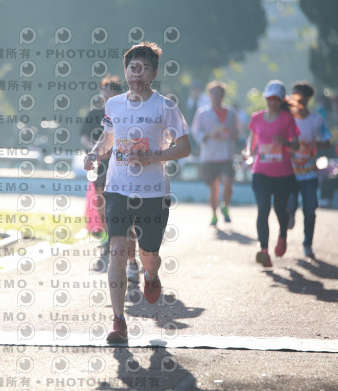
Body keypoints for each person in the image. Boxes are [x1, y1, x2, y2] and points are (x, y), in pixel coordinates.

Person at [83, 41, 191, 343]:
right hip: (118, 189)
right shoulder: (114, 105)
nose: (137, 74)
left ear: (154, 73)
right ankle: (119, 321)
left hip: (154, 193)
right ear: (126, 71)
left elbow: (184, 147)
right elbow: (108, 138)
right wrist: (94, 153)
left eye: (144, 69)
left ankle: (151, 275)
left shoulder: (165, 107)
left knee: (148, 254)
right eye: (133, 68)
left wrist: (152, 157)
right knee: (117, 251)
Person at [80, 76, 140, 282]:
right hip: (101, 167)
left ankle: (131, 258)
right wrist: (95, 150)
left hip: (123, 169)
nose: (106, 94)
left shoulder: (126, 112)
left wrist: (112, 151)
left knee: (126, 216)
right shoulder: (94, 113)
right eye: (103, 90)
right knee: (101, 205)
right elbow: (85, 137)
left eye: (110, 90)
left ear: (117, 92)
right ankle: (107, 239)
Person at [243, 80, 300, 268]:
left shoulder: (287, 119)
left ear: (282, 100)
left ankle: (282, 234)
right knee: (263, 210)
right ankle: (264, 250)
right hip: (261, 172)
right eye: (270, 98)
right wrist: (248, 154)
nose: (273, 102)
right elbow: (252, 140)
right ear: (265, 98)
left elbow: (296, 145)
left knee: (280, 209)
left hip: (283, 173)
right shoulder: (257, 118)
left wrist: (285, 142)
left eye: (276, 99)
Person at [286, 82, 332, 258]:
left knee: (310, 210)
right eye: (292, 95)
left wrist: (315, 143)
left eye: (297, 95)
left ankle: (307, 244)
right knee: (288, 204)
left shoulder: (316, 120)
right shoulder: (288, 118)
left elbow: (327, 142)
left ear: (307, 98)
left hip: (309, 173)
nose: (294, 98)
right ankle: (290, 214)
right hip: (290, 172)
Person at [191, 81, 239, 225]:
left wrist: (232, 135)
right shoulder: (202, 113)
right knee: (214, 189)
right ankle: (214, 214)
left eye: (220, 94)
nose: (217, 96)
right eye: (214, 93)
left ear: (223, 95)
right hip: (209, 156)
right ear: (210, 95)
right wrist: (208, 135)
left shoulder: (231, 113)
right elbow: (195, 131)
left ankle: (225, 205)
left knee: (228, 183)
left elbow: (237, 131)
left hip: (226, 155)